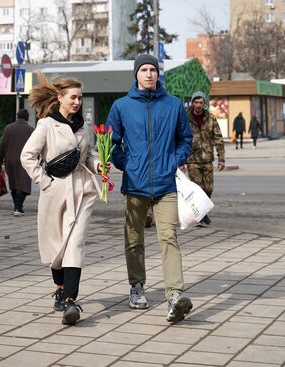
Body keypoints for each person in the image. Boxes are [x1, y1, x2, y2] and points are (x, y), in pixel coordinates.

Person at [107, 54, 193, 323]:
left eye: (152, 70)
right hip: (135, 185)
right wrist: (127, 165)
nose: (148, 74)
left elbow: (185, 138)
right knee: (134, 239)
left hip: (166, 184)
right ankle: (137, 286)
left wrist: (175, 160)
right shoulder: (121, 106)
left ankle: (175, 295)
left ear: (158, 74)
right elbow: (111, 142)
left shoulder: (173, 105)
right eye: (143, 69)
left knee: (168, 237)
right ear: (136, 74)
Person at [20, 71, 106, 326]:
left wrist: (99, 166)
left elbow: (87, 157)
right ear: (60, 98)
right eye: (73, 97)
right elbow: (27, 156)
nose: (77, 102)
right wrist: (44, 183)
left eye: (80, 97)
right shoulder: (46, 125)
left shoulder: (83, 127)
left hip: (83, 190)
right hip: (55, 190)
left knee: (75, 243)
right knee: (56, 246)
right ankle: (59, 287)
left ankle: (70, 299)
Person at [186, 91, 225, 226]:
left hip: (207, 159)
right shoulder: (185, 118)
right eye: (196, 102)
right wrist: (180, 160)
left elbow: (218, 138)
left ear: (204, 104)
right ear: (192, 103)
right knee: (198, 189)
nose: (198, 105)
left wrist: (221, 159)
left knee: (208, 189)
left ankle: (203, 212)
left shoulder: (211, 118)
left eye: (201, 102)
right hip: (192, 159)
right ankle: (200, 215)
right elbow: (178, 138)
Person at [0, 109, 34, 216]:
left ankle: (17, 207)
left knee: (14, 183)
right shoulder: (31, 130)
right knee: (23, 184)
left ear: (17, 116)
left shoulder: (8, 128)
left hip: (10, 160)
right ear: (27, 117)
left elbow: (2, 146)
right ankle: (18, 207)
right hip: (25, 161)